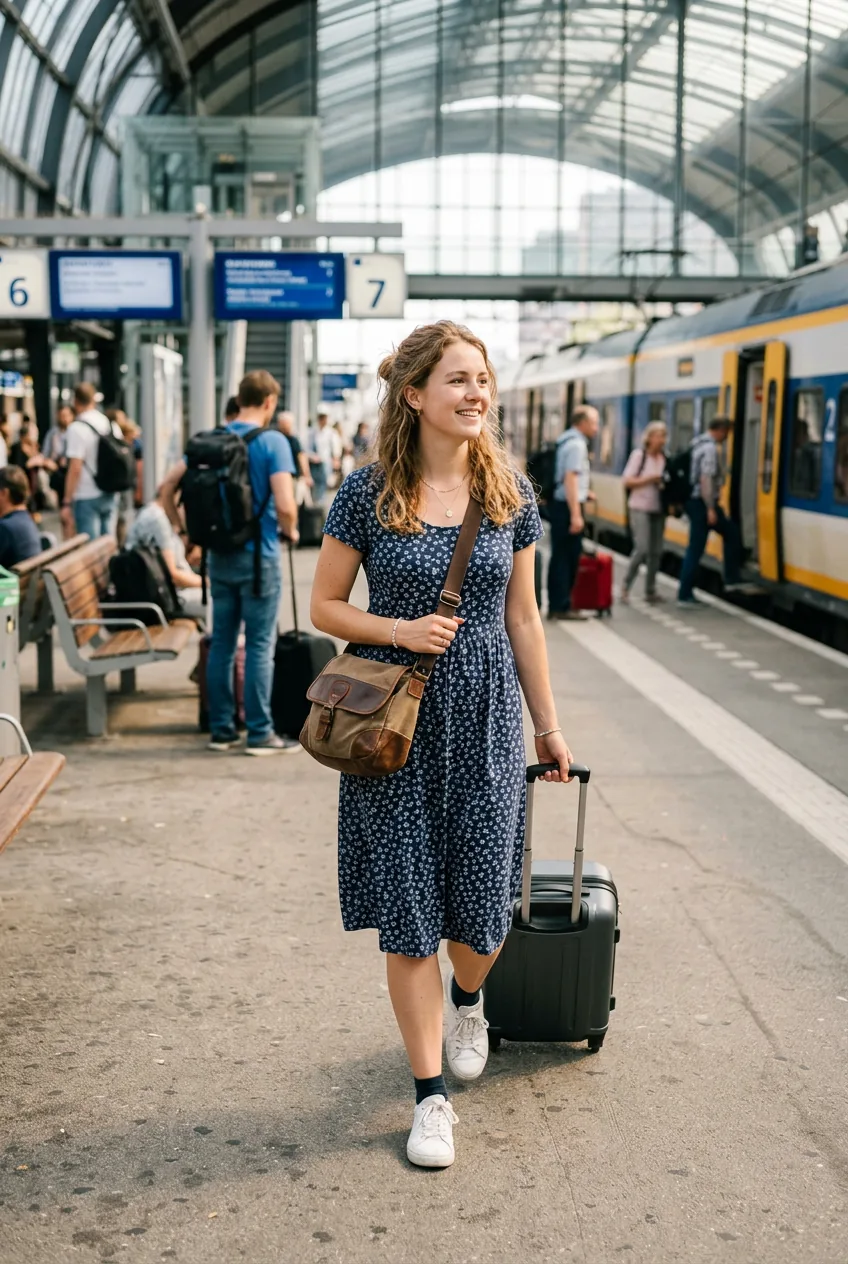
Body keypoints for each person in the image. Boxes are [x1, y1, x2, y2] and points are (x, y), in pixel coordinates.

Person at [310, 320, 574, 1170]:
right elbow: (324, 607)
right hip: (396, 727)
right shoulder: (366, 493)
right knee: (410, 925)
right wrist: (398, 627)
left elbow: (524, 618)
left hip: (490, 721)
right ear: (415, 394)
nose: (476, 394)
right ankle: (431, 1101)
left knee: (484, 913)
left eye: (483, 380)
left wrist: (549, 724)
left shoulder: (512, 495)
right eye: (458, 380)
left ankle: (471, 999)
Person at [162, 370, 299, 755]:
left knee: (221, 641)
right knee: (258, 644)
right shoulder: (274, 442)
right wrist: (288, 530)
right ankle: (259, 733)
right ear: (269, 402)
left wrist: (186, 534)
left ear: (239, 399)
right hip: (260, 558)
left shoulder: (209, 441)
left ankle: (221, 730)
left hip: (218, 556)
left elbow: (166, 488)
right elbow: (286, 504)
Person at [677, 416, 743, 607]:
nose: (727, 437)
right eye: (727, 433)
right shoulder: (710, 448)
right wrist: (711, 508)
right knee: (699, 546)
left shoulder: (696, 442)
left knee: (702, 544)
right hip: (702, 503)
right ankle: (686, 594)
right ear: (721, 430)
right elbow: (706, 479)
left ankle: (689, 591)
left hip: (693, 501)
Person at [547, 405, 599, 619]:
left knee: (561, 555)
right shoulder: (577, 445)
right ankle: (561, 606)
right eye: (594, 423)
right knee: (566, 557)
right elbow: (570, 478)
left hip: (561, 505)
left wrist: (584, 493)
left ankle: (560, 604)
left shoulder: (565, 440)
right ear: (582, 423)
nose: (596, 428)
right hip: (567, 509)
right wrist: (576, 515)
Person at [125, 488, 204, 619]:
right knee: (224, 601)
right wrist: (207, 582)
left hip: (173, 594)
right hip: (172, 598)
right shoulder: (157, 520)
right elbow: (174, 575)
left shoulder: (158, 515)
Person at [61, 382, 120, 540]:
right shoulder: (108, 423)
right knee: (108, 545)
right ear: (94, 400)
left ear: (75, 401)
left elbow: (75, 468)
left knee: (91, 550)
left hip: (86, 494)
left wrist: (67, 502)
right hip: (109, 490)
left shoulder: (76, 428)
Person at [620, 421, 668, 604]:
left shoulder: (664, 458)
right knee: (642, 549)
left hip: (658, 509)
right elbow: (627, 481)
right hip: (640, 507)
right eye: (659, 436)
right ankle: (625, 586)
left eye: (664, 436)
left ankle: (650, 590)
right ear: (650, 438)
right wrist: (650, 479)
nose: (662, 440)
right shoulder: (639, 456)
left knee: (656, 551)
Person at [9, 417, 54, 514]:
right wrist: (31, 463)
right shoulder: (17, 448)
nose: (36, 436)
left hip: (34, 493)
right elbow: (16, 468)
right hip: (22, 492)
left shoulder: (35, 448)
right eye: (33, 432)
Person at [0, 465, 42, 568]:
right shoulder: (26, 520)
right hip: (25, 582)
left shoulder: (5, 527)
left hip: (12, 583)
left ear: (4, 493)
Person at [276, 410, 313, 505]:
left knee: (292, 502)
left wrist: (306, 475)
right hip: (285, 476)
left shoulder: (292, 440)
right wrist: (307, 475)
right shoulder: (281, 438)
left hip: (292, 476)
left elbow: (302, 457)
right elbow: (302, 457)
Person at [307, 411, 340, 506]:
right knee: (314, 483)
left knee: (323, 483)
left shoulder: (331, 432)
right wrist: (312, 456)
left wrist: (335, 460)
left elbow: (336, 447)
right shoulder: (312, 432)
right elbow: (307, 447)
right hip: (313, 462)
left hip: (325, 462)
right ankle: (315, 503)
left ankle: (320, 504)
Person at [42, 405, 73, 506]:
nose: (64, 418)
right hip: (56, 470)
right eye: (61, 415)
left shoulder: (75, 432)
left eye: (66, 415)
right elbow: (45, 453)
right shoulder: (52, 434)